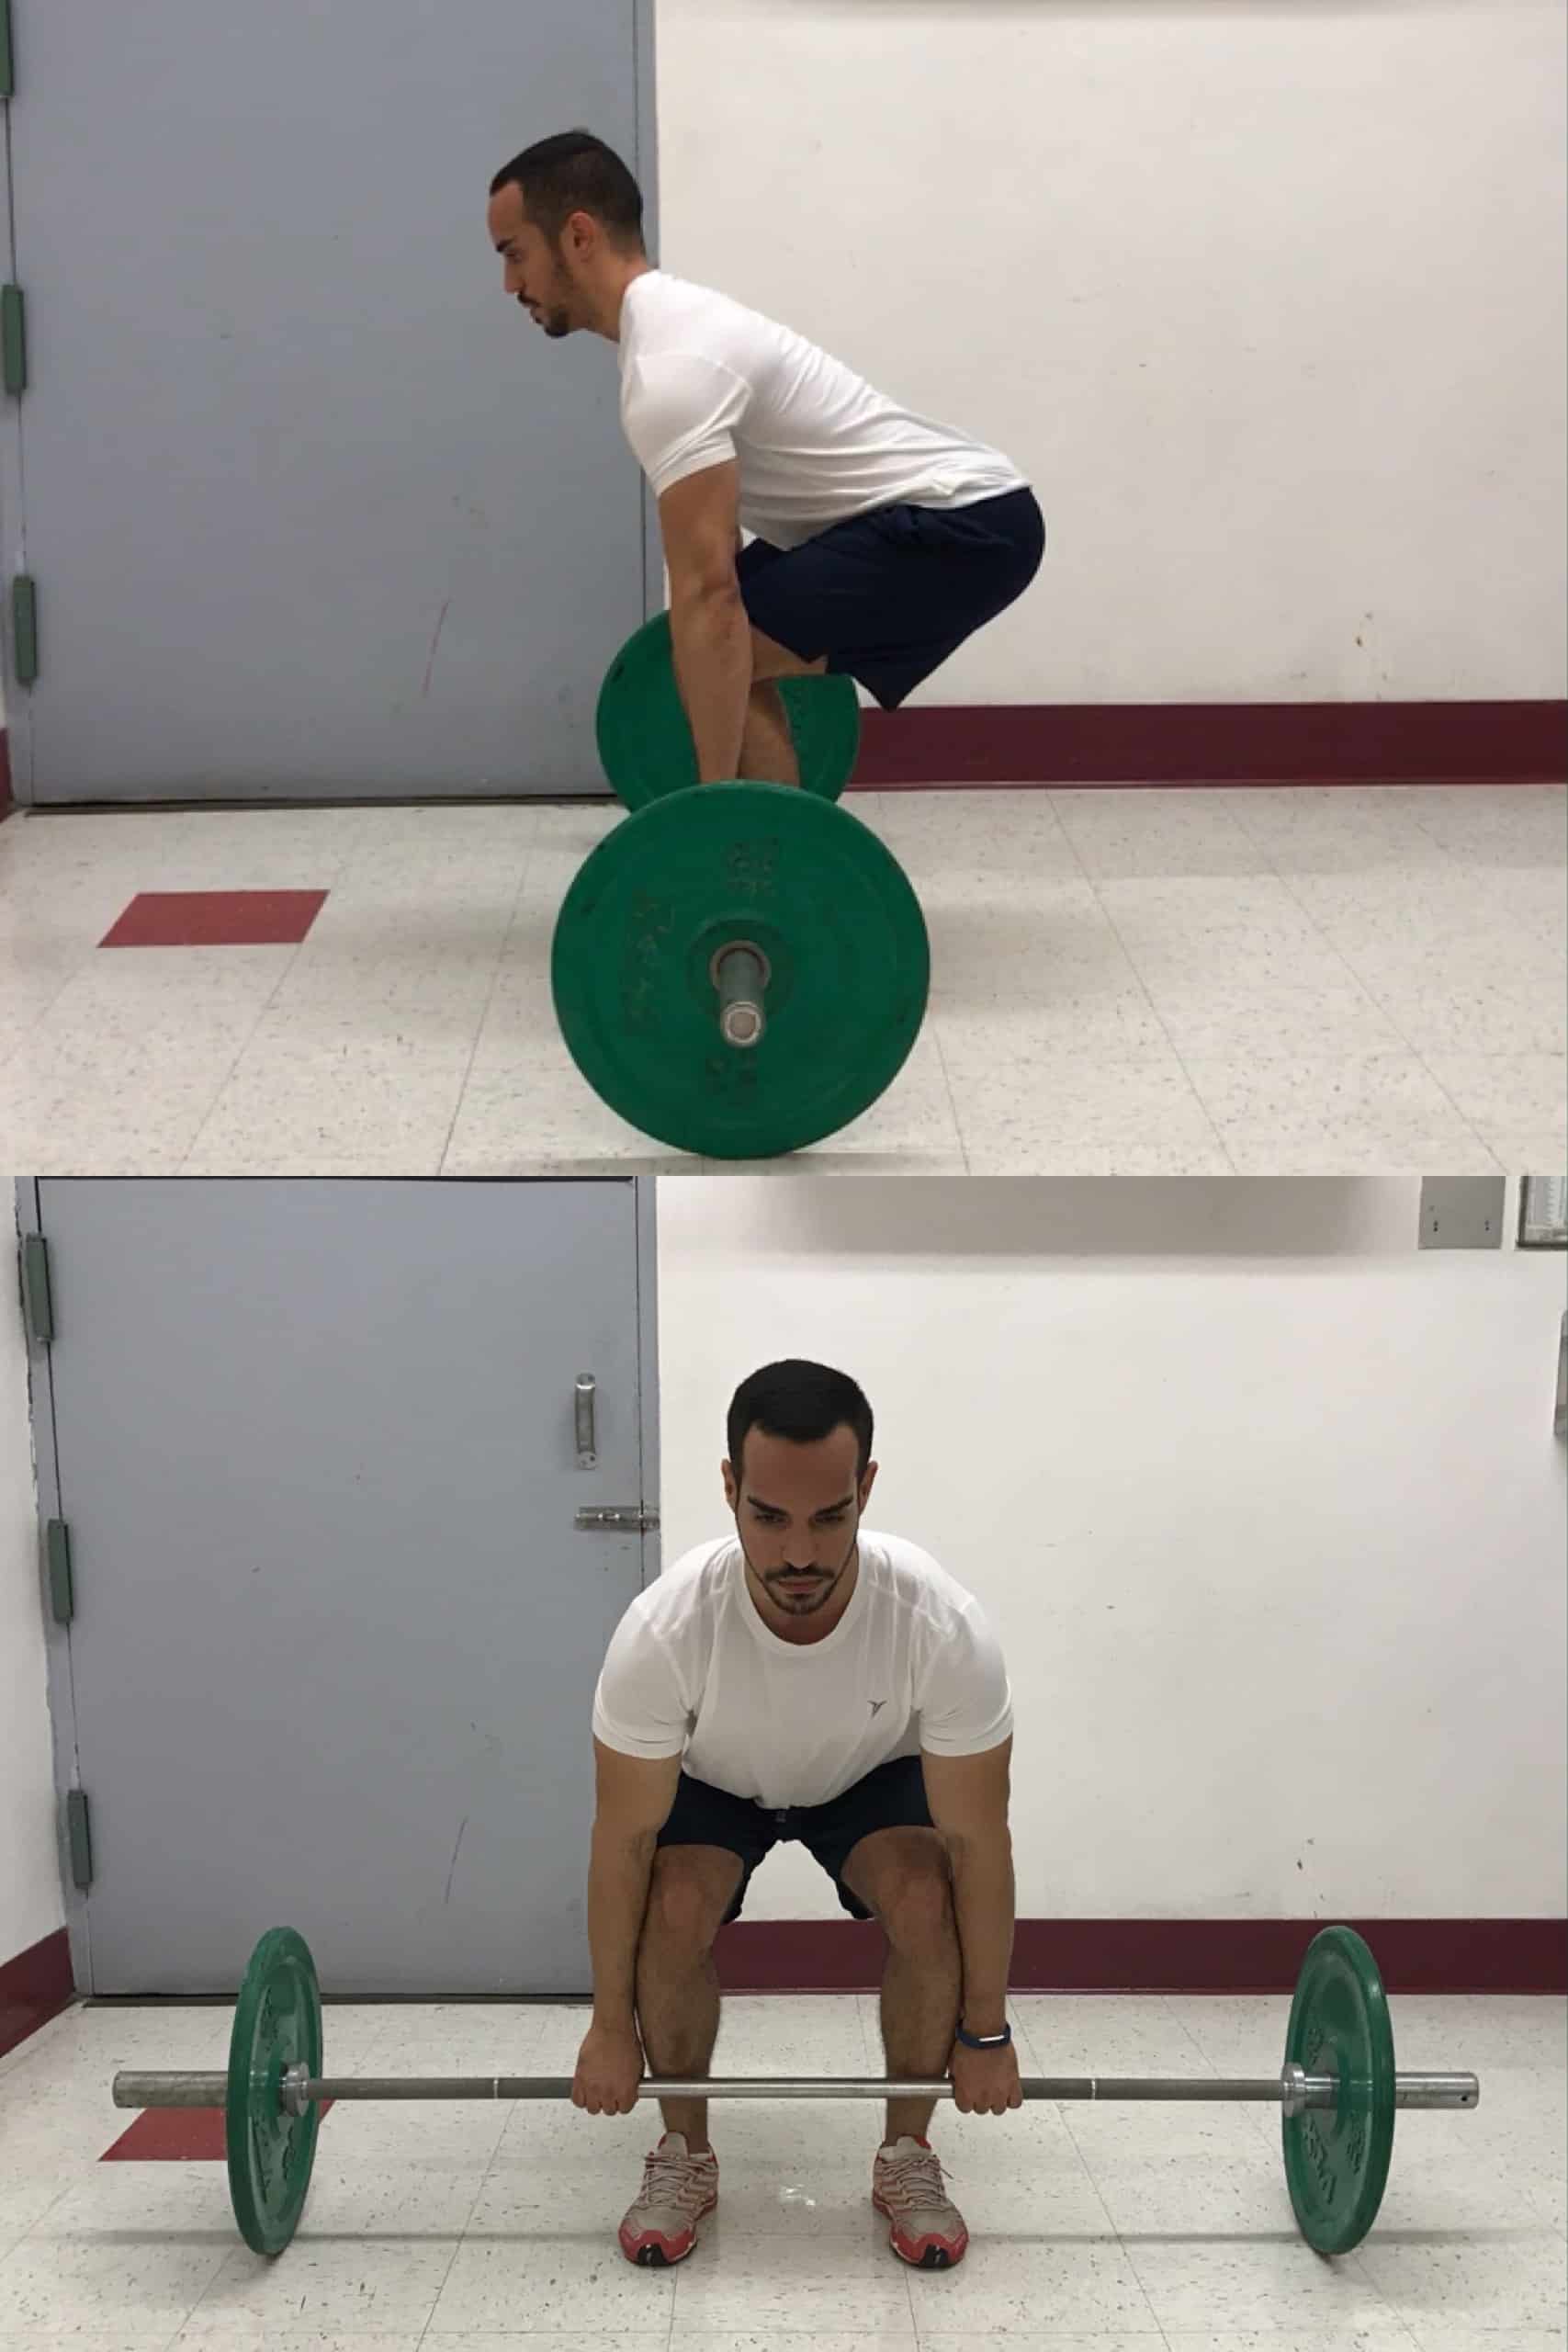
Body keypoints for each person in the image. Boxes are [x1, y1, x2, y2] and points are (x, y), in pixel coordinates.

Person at [572, 1358, 1020, 2271]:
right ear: (730, 1489)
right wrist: (610, 2026)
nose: (801, 1554)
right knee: (673, 1904)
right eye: (768, 1517)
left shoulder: (939, 1623)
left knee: (925, 1893)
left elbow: (980, 1840)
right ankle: (683, 2155)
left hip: (865, 1772)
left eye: (831, 1517)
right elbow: (620, 1842)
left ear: (867, 1490)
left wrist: (987, 2030)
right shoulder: (665, 1632)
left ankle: (907, 2154)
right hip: (719, 1777)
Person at [487, 132, 1045, 789]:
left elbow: (709, 596)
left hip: (961, 523)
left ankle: (765, 854)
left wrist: (707, 801)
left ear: (579, 237)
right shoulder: (670, 333)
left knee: (719, 647)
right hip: (942, 515)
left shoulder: (672, 367)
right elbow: (718, 579)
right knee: (711, 649)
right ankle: (771, 845)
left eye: (514, 254)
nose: (509, 284)